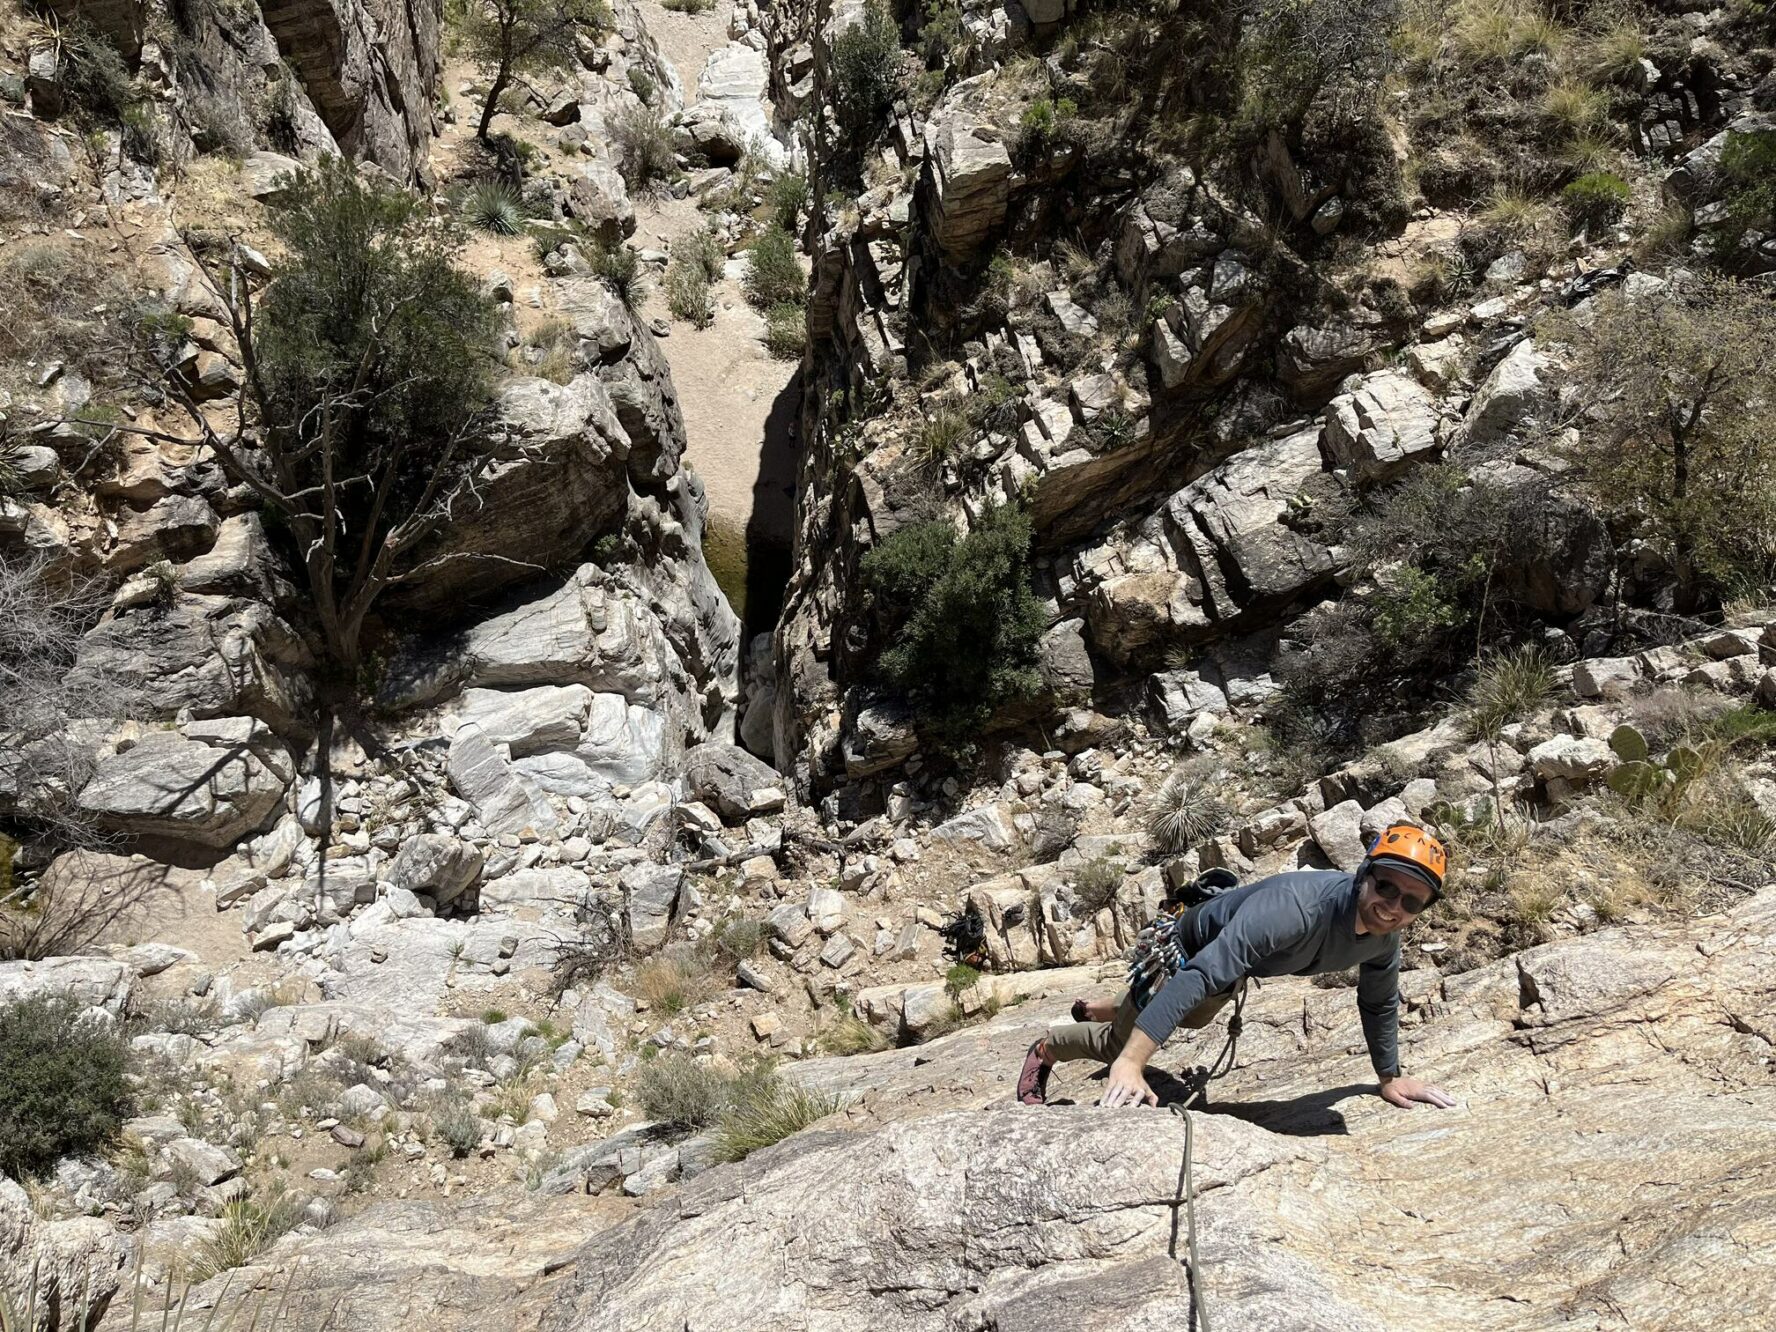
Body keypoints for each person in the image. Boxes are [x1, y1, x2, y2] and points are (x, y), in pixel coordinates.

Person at [1015, 823, 1458, 1112]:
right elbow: (1203, 974)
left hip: (1226, 969)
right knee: (1118, 1046)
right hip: (1186, 954)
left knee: (1187, 1018)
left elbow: (1379, 1005)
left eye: (1411, 901)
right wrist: (1131, 1062)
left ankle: (1114, 1004)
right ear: (1365, 873)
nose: (1392, 906)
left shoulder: (1384, 940)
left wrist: (1390, 1077)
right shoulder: (1295, 910)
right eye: (1386, 886)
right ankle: (1048, 1048)